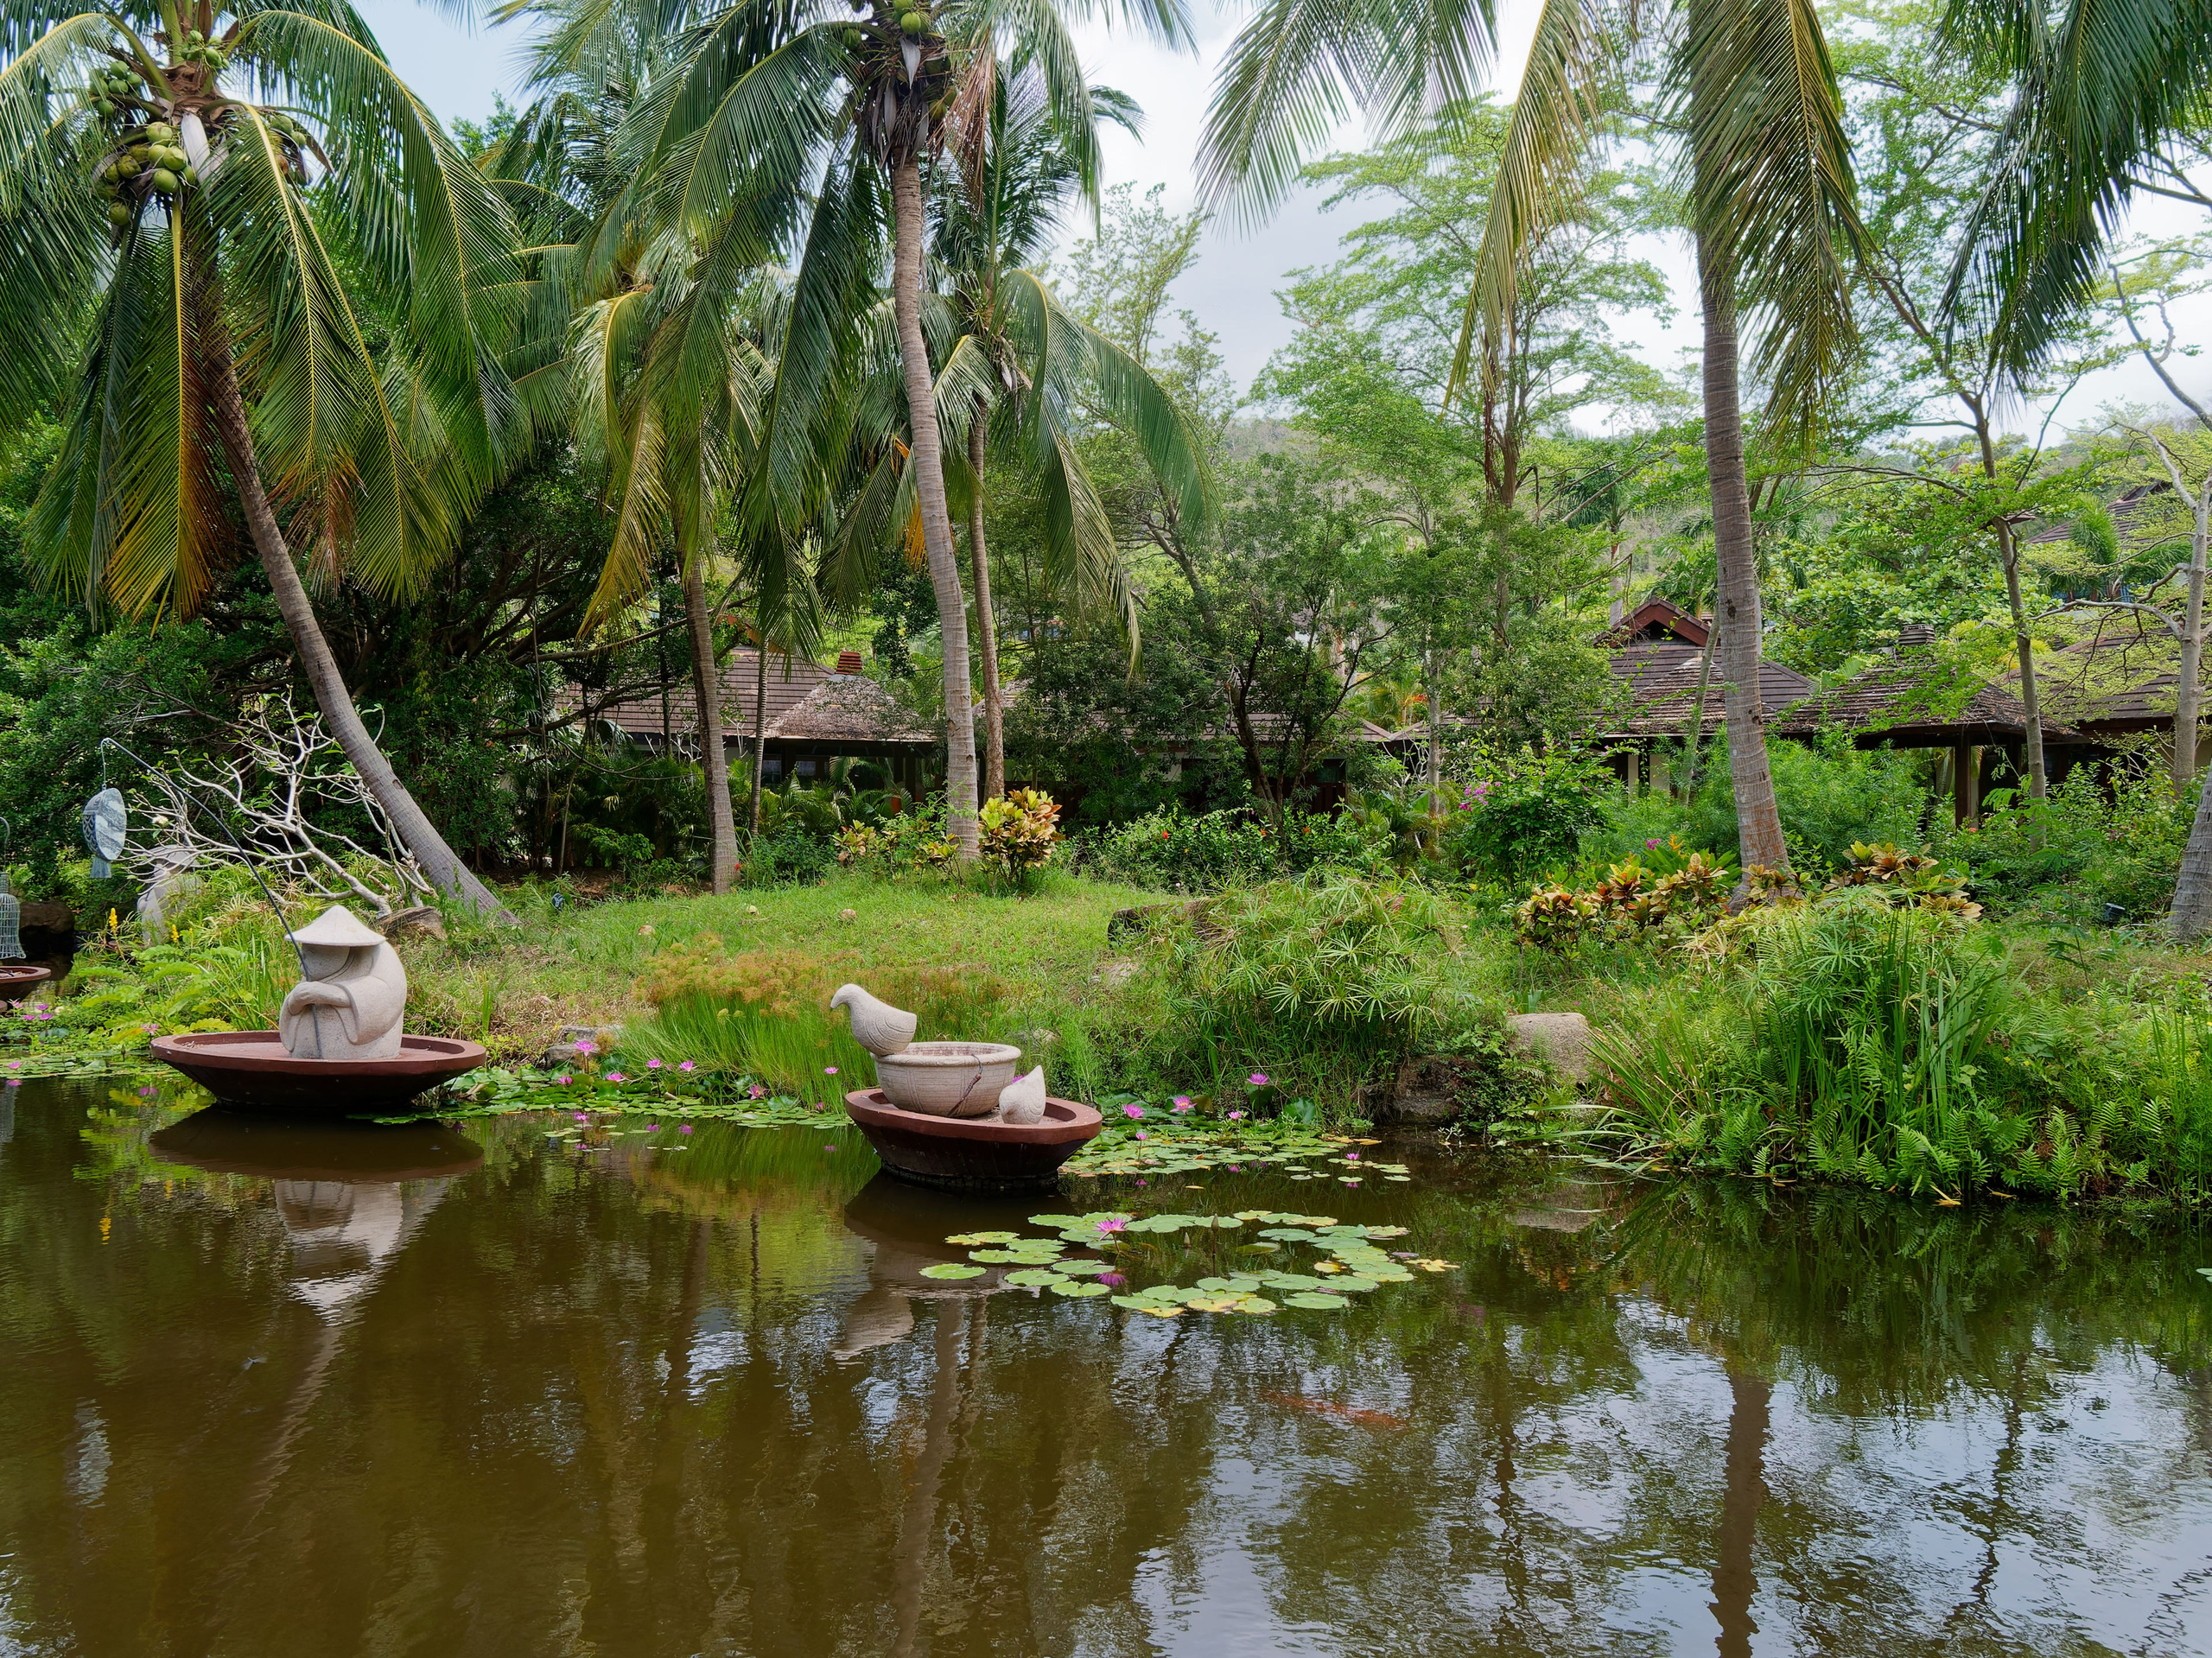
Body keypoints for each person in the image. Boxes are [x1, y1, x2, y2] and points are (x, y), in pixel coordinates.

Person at [278, 906, 407, 1060]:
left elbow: (389, 993)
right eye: (304, 954)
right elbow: (293, 1007)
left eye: (311, 954)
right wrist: (296, 1000)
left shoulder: (379, 954)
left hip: (364, 1058)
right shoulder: (315, 971)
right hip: (305, 1057)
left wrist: (334, 994)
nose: (302, 962)